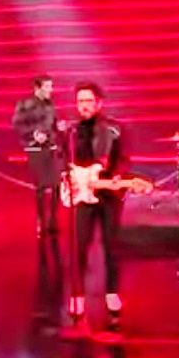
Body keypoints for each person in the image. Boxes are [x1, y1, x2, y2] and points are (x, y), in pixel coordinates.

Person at [64, 82, 128, 329]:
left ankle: (112, 293)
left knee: (111, 246)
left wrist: (117, 176)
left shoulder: (114, 129)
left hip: (107, 195)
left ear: (99, 103)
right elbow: (63, 159)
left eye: (88, 101)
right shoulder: (72, 132)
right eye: (80, 101)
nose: (84, 106)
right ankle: (77, 296)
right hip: (82, 196)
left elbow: (123, 159)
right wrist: (68, 178)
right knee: (79, 246)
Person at [12, 74, 64, 235]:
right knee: (40, 187)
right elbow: (17, 124)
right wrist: (33, 134)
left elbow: (53, 123)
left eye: (51, 86)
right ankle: (41, 220)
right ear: (37, 88)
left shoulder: (50, 105)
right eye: (47, 87)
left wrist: (59, 127)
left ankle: (53, 219)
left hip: (51, 146)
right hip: (35, 148)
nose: (51, 90)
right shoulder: (25, 104)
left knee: (56, 185)